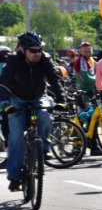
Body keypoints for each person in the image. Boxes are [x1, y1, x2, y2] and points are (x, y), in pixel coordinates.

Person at [0, 32, 64, 191]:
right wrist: (5, 103)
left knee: (45, 116)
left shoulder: (45, 59)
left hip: (38, 95)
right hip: (17, 98)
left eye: (39, 50)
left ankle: (42, 147)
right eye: (33, 50)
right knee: (16, 137)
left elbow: (54, 79)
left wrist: (62, 99)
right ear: (22, 49)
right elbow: (5, 82)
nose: (37, 54)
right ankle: (14, 177)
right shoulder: (13, 60)